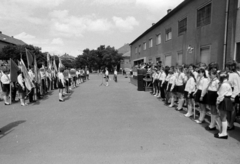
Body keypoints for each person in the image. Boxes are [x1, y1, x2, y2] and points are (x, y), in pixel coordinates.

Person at [215, 72, 233, 139]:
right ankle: (223, 132)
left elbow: (221, 95)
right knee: (224, 117)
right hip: (226, 100)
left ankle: (224, 133)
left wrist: (217, 102)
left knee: (223, 117)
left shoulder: (224, 85)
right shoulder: (226, 84)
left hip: (224, 100)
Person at [225, 61, 240, 130]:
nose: (226, 68)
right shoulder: (227, 74)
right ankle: (228, 123)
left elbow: (237, 86)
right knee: (228, 109)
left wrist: (233, 96)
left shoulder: (235, 75)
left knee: (233, 110)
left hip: (233, 94)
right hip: (227, 93)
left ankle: (231, 124)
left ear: (232, 67)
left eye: (227, 66)